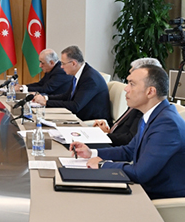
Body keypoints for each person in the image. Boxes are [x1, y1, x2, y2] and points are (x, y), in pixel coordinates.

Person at [71, 65, 185, 200]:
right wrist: (92, 153)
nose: (126, 88)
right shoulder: (153, 114)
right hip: (144, 187)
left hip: (158, 197)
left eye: (132, 84)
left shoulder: (167, 124)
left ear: (150, 92)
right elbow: (129, 150)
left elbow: (140, 173)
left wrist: (102, 164)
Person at [32, 45, 111, 123]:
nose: (61, 67)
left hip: (92, 122)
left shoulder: (90, 79)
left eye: (63, 63)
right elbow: (66, 96)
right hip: (79, 116)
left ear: (73, 63)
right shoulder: (80, 73)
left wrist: (46, 103)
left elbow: (75, 106)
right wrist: (45, 98)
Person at [92, 58, 161, 146]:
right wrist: (107, 130)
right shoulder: (136, 102)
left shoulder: (146, 107)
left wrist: (105, 135)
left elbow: (130, 140)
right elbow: (123, 128)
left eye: (132, 83)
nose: (126, 88)